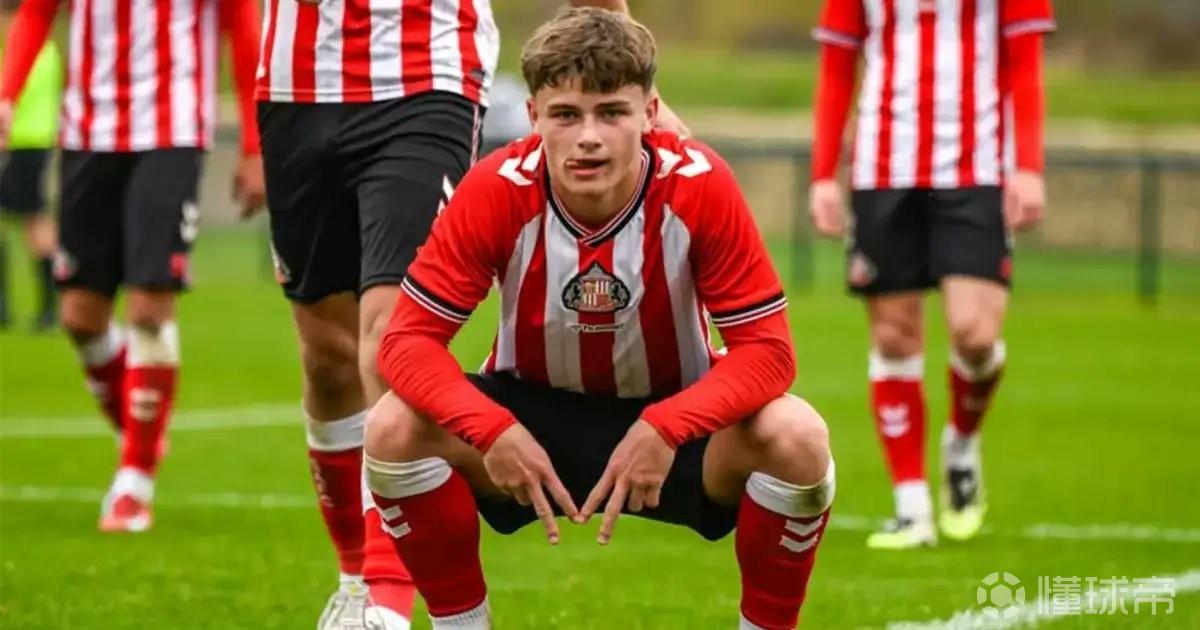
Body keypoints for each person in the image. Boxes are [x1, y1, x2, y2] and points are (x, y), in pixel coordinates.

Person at [359, 8, 836, 630]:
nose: (589, 137)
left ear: (649, 113)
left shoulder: (699, 186)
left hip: (675, 420)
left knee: (798, 438)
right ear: (533, 117)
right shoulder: (496, 188)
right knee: (391, 427)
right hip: (529, 419)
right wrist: (491, 430)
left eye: (611, 113)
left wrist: (667, 427)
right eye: (566, 115)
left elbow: (769, 352)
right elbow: (406, 343)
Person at [252, 0, 689, 627]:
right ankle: (352, 577)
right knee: (327, 358)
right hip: (293, 87)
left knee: (389, 331)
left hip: (427, 76)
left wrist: (636, 77)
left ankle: (384, 598)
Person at [0, 0, 265, 532]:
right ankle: (145, 425)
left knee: (148, 306)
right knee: (79, 316)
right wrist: (7, 96)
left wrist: (254, 145)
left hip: (172, 132)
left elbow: (242, 24)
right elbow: (36, 12)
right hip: (88, 133)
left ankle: (134, 480)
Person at [808, 0, 1054, 548]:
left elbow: (1025, 62)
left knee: (975, 334)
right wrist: (823, 175)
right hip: (882, 169)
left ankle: (961, 443)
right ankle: (912, 508)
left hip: (978, 169)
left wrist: (1030, 167)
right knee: (894, 336)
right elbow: (837, 68)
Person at [0, 0, 62, 332]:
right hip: (30, 144)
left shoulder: (32, 54)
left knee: (35, 223)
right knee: (32, 221)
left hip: (24, 144)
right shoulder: (47, 52)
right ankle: (12, 305)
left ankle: (48, 305)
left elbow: (13, 96)